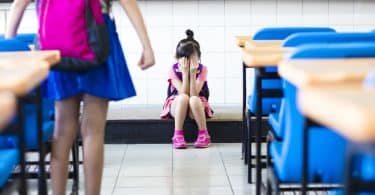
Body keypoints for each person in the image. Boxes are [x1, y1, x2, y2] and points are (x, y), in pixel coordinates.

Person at [5, 0, 155, 194]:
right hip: (97, 39)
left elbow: (18, 4)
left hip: (59, 43)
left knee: (63, 129)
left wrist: (9, 50)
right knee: (93, 131)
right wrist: (146, 45)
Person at [160, 29, 213, 149]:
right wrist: (184, 73)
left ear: (199, 57)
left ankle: (204, 134)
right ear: (177, 58)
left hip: (196, 106)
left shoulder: (202, 69)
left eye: (191, 58)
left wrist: (193, 74)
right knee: (184, 97)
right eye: (184, 58)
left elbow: (194, 94)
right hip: (178, 104)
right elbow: (183, 93)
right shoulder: (173, 69)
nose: (188, 61)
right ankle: (177, 135)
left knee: (193, 99)